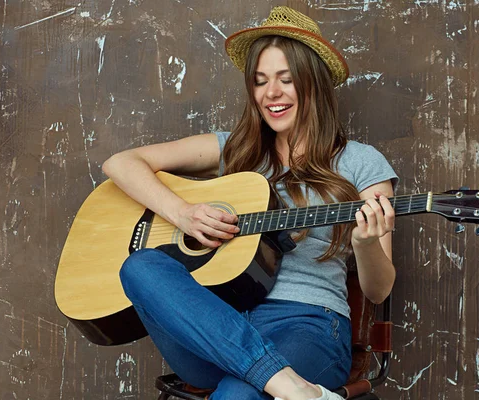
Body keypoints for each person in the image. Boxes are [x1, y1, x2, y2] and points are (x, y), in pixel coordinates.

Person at [102, 6, 398, 400]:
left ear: (314, 84)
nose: (270, 94)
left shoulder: (360, 161)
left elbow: (378, 291)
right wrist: (184, 214)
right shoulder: (235, 150)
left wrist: (364, 244)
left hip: (306, 325)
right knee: (141, 267)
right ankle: (288, 385)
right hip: (215, 326)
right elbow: (120, 163)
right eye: (259, 82)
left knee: (238, 395)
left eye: (286, 80)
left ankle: (274, 377)